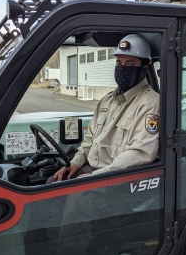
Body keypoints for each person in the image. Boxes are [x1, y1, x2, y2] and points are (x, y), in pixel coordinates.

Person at [49, 34, 160, 182]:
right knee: (52, 181)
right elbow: (90, 138)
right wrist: (75, 162)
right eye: (119, 63)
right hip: (93, 167)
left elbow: (140, 153)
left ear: (144, 68)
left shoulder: (149, 104)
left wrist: (97, 177)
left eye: (130, 64)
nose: (123, 68)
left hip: (115, 177)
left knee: (67, 197)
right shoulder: (107, 100)